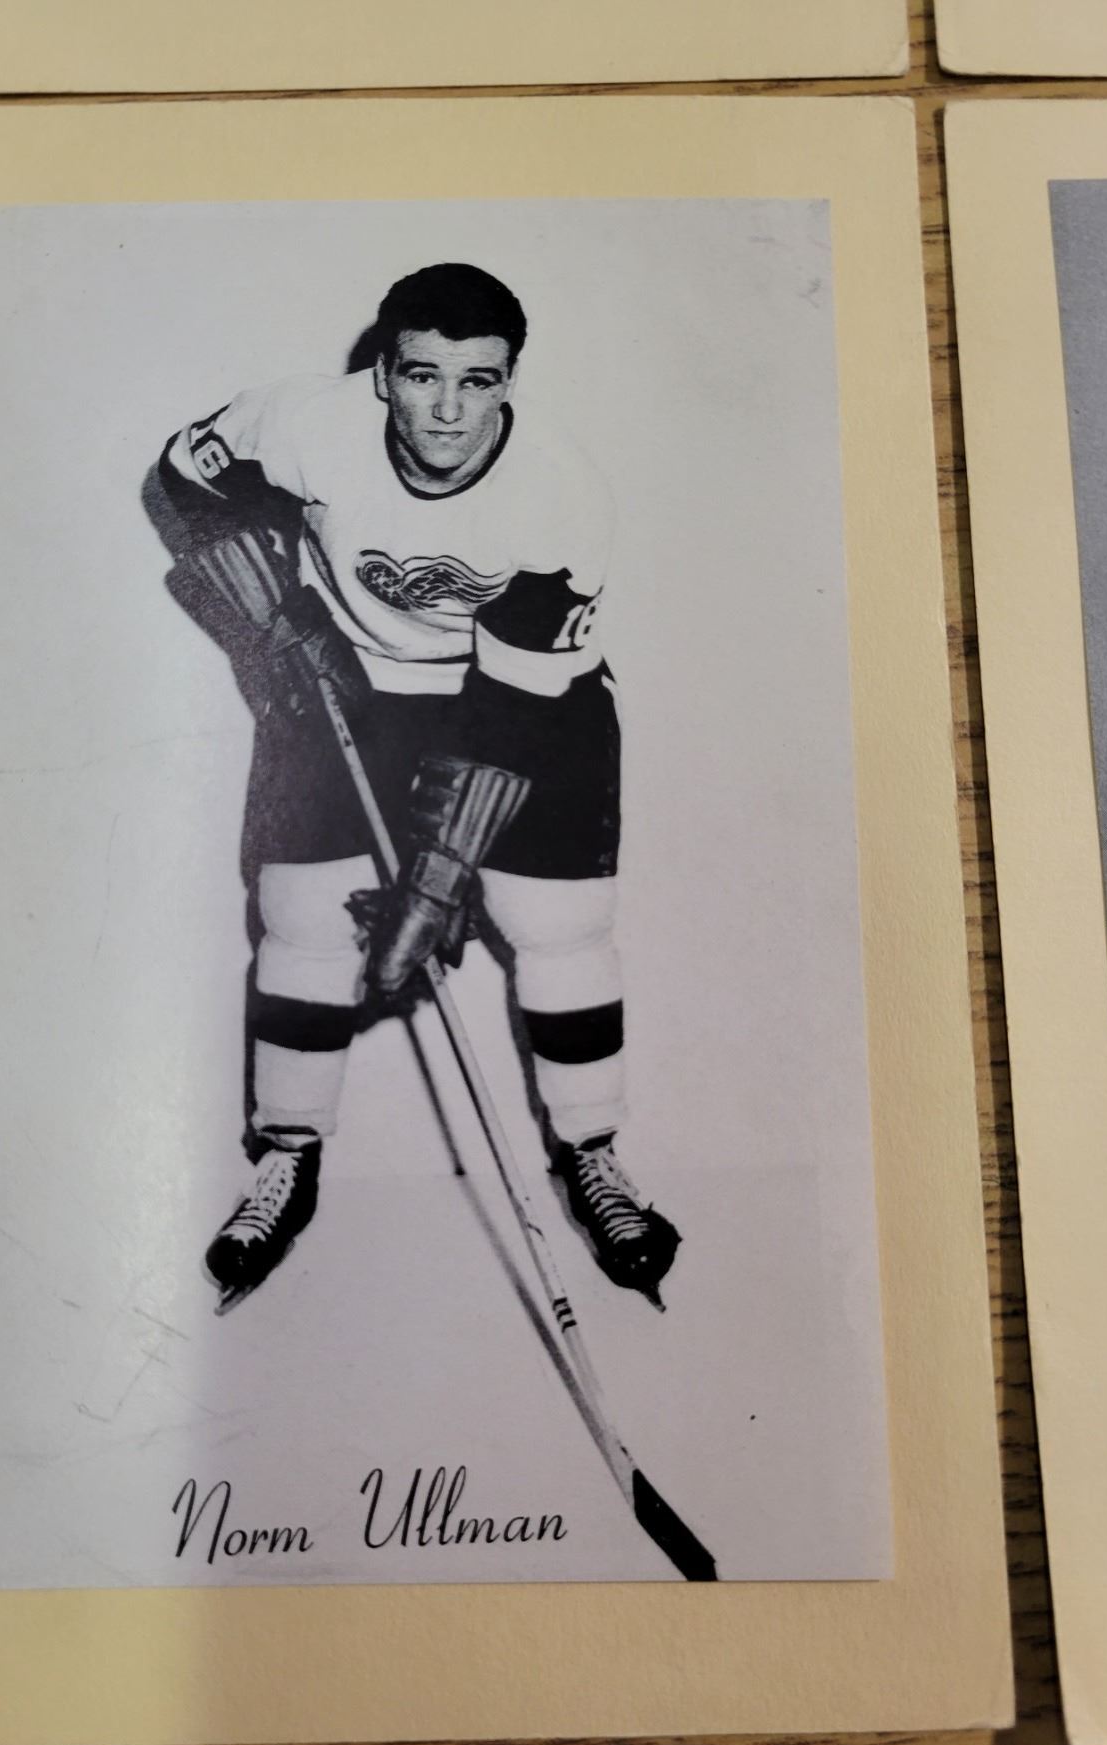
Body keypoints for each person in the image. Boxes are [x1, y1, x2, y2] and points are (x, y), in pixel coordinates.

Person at [154, 262, 679, 1310]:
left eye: (477, 381)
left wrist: (436, 883)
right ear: (384, 375)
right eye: (423, 376)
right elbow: (182, 478)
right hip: (359, 683)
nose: (447, 410)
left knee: (558, 927)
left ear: (509, 380)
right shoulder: (301, 423)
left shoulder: (562, 493)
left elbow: (510, 708)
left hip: (528, 700)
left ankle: (591, 1153)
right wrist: (272, 609)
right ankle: (288, 1153)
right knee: (304, 917)